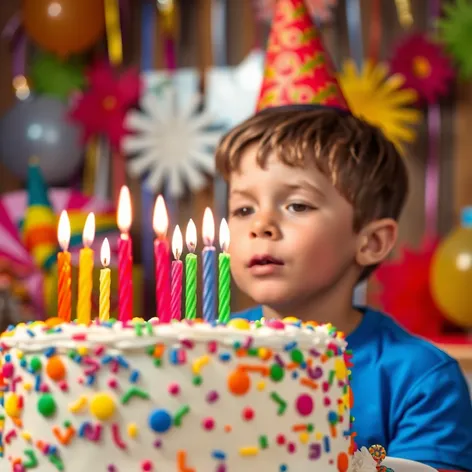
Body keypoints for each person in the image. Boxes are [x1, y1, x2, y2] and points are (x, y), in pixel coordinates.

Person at [214, 0, 472, 470]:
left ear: (371, 241)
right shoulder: (201, 355)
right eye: (243, 207)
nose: (260, 224)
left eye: (296, 204)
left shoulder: (420, 380)